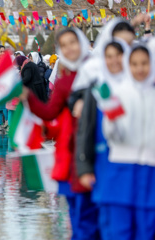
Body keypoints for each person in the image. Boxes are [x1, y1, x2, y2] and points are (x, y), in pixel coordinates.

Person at [23, 28, 100, 240]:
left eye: (72, 42)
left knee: (95, 214)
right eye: (63, 45)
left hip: (97, 150)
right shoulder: (64, 81)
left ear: (82, 43)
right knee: (76, 215)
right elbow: (49, 112)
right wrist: (26, 96)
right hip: (70, 153)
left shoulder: (99, 73)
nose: (69, 48)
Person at [87, 44, 155, 240]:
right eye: (134, 64)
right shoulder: (119, 93)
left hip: (150, 170)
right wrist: (112, 120)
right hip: (121, 169)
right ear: (128, 65)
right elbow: (114, 135)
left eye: (144, 63)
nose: (139, 69)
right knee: (119, 231)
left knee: (147, 230)